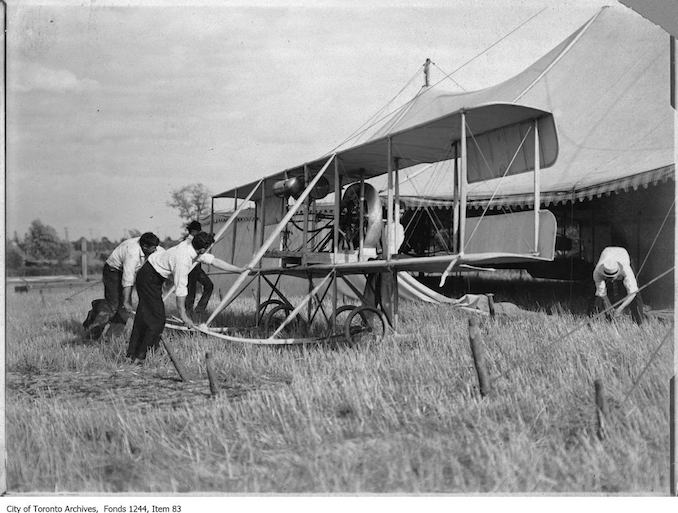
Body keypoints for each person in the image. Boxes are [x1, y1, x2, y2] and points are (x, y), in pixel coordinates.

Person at [126, 231, 243, 364]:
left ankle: (133, 355)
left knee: (144, 316)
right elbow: (181, 289)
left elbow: (214, 260)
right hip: (149, 278)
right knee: (157, 320)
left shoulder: (190, 246)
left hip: (151, 275)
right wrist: (184, 315)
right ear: (202, 249)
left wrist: (239, 270)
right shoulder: (183, 260)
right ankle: (141, 357)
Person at [83, 232, 161, 339]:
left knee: (124, 310)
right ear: (144, 247)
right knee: (113, 306)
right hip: (113, 271)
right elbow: (128, 279)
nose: (155, 250)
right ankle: (92, 335)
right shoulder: (132, 253)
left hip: (128, 272)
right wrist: (126, 301)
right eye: (153, 248)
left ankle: (112, 337)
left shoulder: (153, 247)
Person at [591, 246, 645, 325]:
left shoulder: (626, 270)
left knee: (636, 294)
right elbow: (602, 293)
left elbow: (632, 293)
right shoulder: (597, 272)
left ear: (618, 272)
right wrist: (610, 308)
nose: (612, 281)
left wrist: (620, 309)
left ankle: (639, 323)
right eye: (609, 278)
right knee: (597, 296)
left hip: (622, 253)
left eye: (613, 278)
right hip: (606, 252)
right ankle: (595, 320)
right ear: (603, 273)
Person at [184, 221, 214, 320]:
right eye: (197, 231)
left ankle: (199, 310)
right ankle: (188, 314)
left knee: (209, 285)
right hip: (190, 268)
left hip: (197, 269)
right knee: (191, 292)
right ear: (193, 231)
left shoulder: (197, 239)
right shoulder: (188, 241)